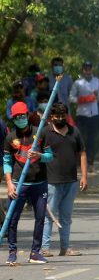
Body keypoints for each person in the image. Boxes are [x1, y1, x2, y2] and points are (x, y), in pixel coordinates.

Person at [4, 101, 54, 265]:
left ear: (28, 115)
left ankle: (35, 252)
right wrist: (10, 184)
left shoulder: (39, 133)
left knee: (40, 218)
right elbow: (6, 162)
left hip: (39, 183)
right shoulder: (10, 137)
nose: (20, 119)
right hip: (19, 184)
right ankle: (12, 252)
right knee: (12, 218)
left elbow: (50, 156)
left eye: (23, 116)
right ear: (13, 119)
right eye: (17, 117)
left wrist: (39, 156)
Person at [41, 103, 88, 257]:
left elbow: (82, 153)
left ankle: (65, 248)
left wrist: (84, 176)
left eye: (63, 116)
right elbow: (36, 154)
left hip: (71, 181)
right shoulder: (45, 132)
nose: (60, 119)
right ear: (51, 117)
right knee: (49, 215)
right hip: (51, 181)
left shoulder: (74, 132)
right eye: (57, 116)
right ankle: (44, 248)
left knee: (66, 216)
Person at [69, 61, 99, 173]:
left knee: (91, 139)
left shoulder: (97, 81)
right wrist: (81, 99)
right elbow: (71, 97)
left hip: (94, 114)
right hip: (82, 114)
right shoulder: (78, 83)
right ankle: (79, 163)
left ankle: (90, 163)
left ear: (91, 69)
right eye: (85, 69)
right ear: (83, 70)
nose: (87, 71)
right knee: (81, 139)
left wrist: (97, 96)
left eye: (89, 69)